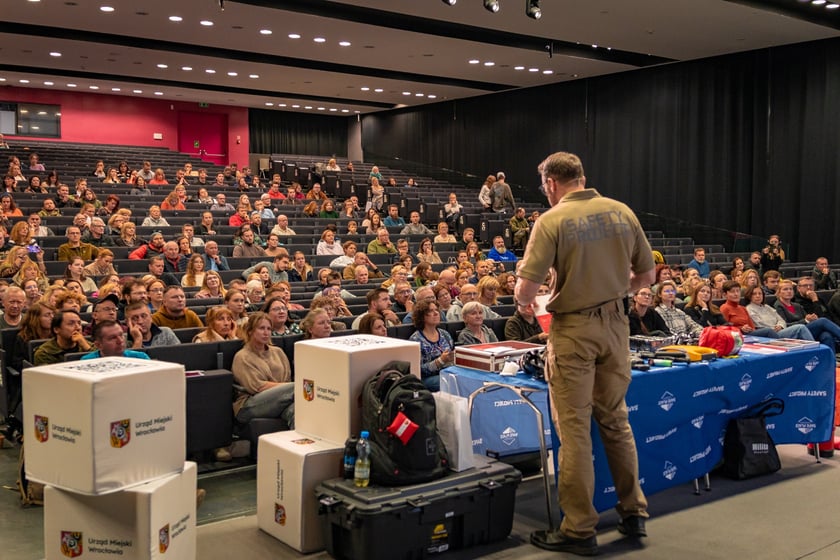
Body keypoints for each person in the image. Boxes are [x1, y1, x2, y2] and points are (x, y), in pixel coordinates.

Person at [514, 152, 654, 555]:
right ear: (582, 177)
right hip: (616, 327)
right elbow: (645, 276)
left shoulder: (551, 220)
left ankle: (578, 529)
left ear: (550, 184)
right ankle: (633, 513)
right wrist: (608, 289)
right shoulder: (621, 211)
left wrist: (527, 299)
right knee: (616, 420)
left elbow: (526, 290)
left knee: (574, 430)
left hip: (574, 330)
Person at [232, 312, 295, 428]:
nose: (266, 332)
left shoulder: (278, 352)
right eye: (261, 328)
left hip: (281, 399)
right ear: (250, 331)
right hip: (249, 405)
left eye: (269, 329)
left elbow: (287, 379)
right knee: (297, 387)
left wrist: (285, 391)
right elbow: (257, 387)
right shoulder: (242, 356)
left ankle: (299, 445)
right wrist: (286, 389)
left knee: (296, 411)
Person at [408, 299, 454, 392]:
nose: (436, 313)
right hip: (427, 378)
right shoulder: (416, 339)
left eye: (436, 310)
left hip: (447, 371)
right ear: (422, 316)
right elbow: (417, 370)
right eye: (430, 311)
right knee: (450, 381)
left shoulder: (445, 334)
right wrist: (440, 361)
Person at [745, 286, 813, 340]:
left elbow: (780, 319)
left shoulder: (767, 307)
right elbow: (759, 325)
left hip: (780, 330)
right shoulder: (749, 309)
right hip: (770, 334)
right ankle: (817, 351)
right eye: (754, 294)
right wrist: (774, 328)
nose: (758, 296)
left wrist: (780, 326)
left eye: (760, 293)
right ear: (749, 296)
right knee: (800, 328)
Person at [82, 320, 150, 360]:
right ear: (99, 345)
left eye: (121, 335)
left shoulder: (140, 358)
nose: (120, 341)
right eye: (113, 338)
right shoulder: (87, 362)